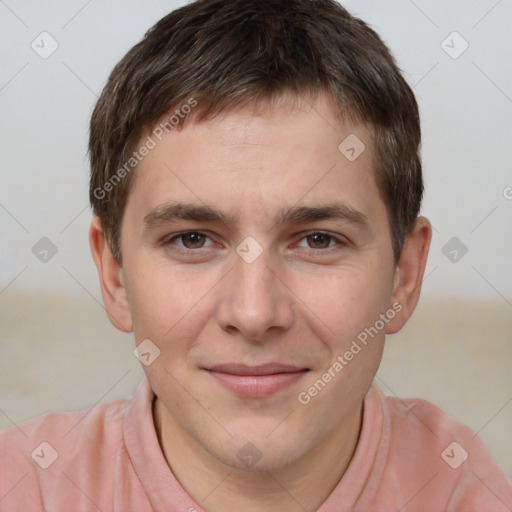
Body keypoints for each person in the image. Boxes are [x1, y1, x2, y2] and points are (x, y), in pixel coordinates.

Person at [1, 0, 511, 510]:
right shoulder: (26, 487)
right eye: (192, 239)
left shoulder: (458, 486)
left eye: (318, 240)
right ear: (115, 276)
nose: (253, 313)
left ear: (403, 277)